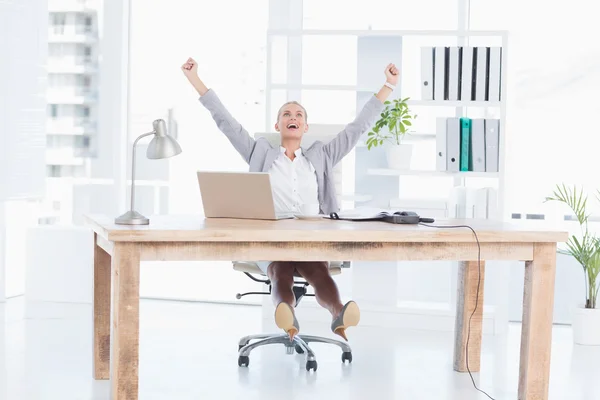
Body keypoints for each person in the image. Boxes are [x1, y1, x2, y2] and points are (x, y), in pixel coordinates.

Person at [181, 57, 398, 342]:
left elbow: (357, 129)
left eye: (298, 115)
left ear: (306, 127)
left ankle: (338, 313)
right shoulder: (259, 151)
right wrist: (195, 80)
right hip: (270, 238)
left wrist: (388, 85)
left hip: (312, 237)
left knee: (318, 271)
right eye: (286, 114)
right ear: (277, 125)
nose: (292, 117)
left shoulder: (322, 155)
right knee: (279, 268)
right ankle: (288, 315)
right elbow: (227, 123)